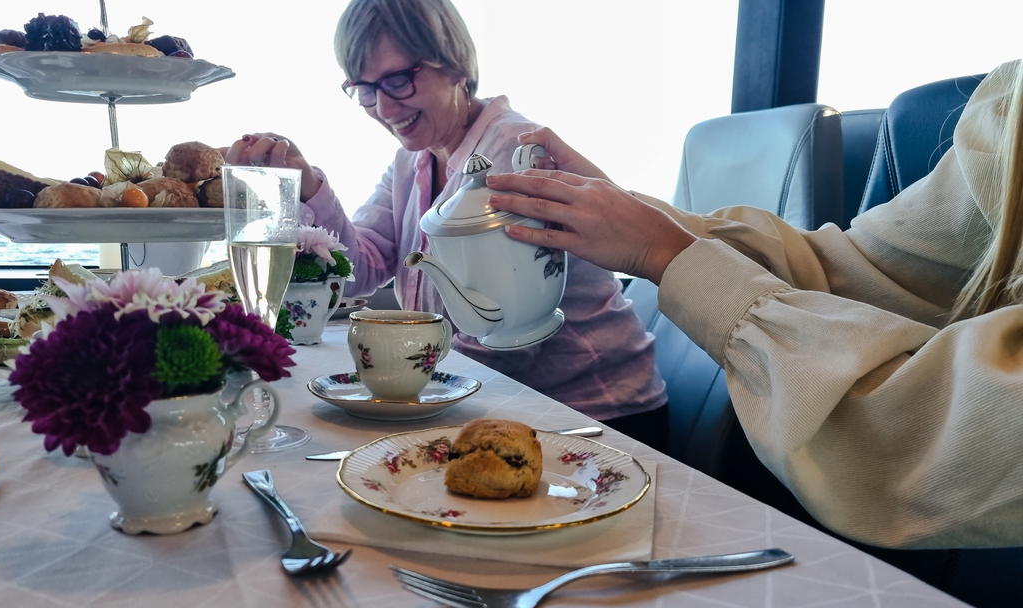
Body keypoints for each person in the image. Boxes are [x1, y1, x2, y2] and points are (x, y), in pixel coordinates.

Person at [484, 60, 1023, 550]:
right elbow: (855, 271)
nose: (393, 110)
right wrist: (628, 216)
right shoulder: (1011, 111)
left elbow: (935, 432)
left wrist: (665, 253)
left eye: (401, 79)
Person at [221, 0, 668, 446]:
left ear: (455, 64)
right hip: (502, 399)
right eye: (364, 88)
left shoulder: (513, 150)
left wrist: (413, 387)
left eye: (397, 79)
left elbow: (507, 326)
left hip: (592, 415)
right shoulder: (411, 161)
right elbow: (361, 267)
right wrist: (309, 185)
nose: (382, 106)